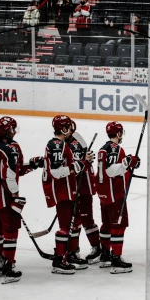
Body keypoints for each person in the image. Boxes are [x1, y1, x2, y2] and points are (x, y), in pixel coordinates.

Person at [0, 116, 42, 283]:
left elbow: (14, 169)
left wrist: (32, 165)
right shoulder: (10, 149)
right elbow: (10, 176)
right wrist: (15, 196)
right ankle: (8, 266)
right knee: (10, 232)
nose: (14, 132)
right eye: (12, 129)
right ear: (7, 131)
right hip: (5, 198)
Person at [42, 115, 86, 274]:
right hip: (62, 191)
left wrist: (79, 162)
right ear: (63, 129)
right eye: (68, 126)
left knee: (75, 223)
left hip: (68, 190)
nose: (71, 129)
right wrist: (78, 165)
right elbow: (56, 172)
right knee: (65, 226)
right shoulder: (56, 145)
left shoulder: (59, 144)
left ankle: (70, 254)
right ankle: (59, 261)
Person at [95, 121, 139, 274]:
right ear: (119, 133)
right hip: (114, 194)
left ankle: (105, 255)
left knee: (106, 224)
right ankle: (116, 260)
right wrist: (127, 162)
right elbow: (111, 170)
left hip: (103, 193)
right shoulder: (115, 148)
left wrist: (128, 162)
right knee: (118, 226)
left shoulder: (103, 148)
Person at [65, 119, 100, 265]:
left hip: (83, 185)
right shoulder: (66, 142)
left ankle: (96, 248)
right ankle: (73, 249)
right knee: (75, 219)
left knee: (84, 218)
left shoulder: (75, 141)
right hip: (75, 185)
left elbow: (83, 162)